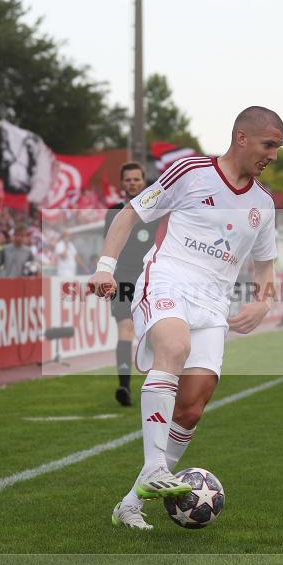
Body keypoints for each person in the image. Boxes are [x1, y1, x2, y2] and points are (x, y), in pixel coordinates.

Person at [88, 106, 283, 530]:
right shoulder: (191, 171)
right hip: (167, 281)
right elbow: (131, 212)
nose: (273, 155)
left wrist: (263, 302)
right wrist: (105, 265)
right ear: (242, 137)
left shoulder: (264, 204)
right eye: (269, 145)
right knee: (173, 348)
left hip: (214, 304)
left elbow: (265, 266)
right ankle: (157, 468)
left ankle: (130, 503)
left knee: (192, 407)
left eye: (278, 148)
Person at [103, 162, 159, 407]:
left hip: (151, 277)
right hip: (123, 278)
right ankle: (124, 387)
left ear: (143, 181)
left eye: (137, 179)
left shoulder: (157, 211)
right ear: (122, 183)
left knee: (157, 332)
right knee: (125, 329)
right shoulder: (113, 212)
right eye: (128, 180)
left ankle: (159, 385)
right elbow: (109, 248)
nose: (133, 183)